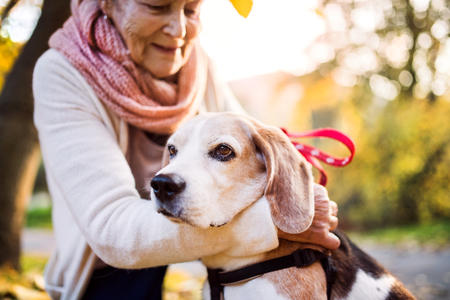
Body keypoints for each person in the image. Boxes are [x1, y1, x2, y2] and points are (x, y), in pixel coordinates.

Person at [33, 0, 340, 299]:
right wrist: (274, 221)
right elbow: (114, 232)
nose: (179, 29)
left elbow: (253, 147)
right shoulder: (61, 72)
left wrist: (298, 200)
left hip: (201, 226)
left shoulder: (197, 63)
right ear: (108, 4)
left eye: (191, 9)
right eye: (156, 6)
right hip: (108, 267)